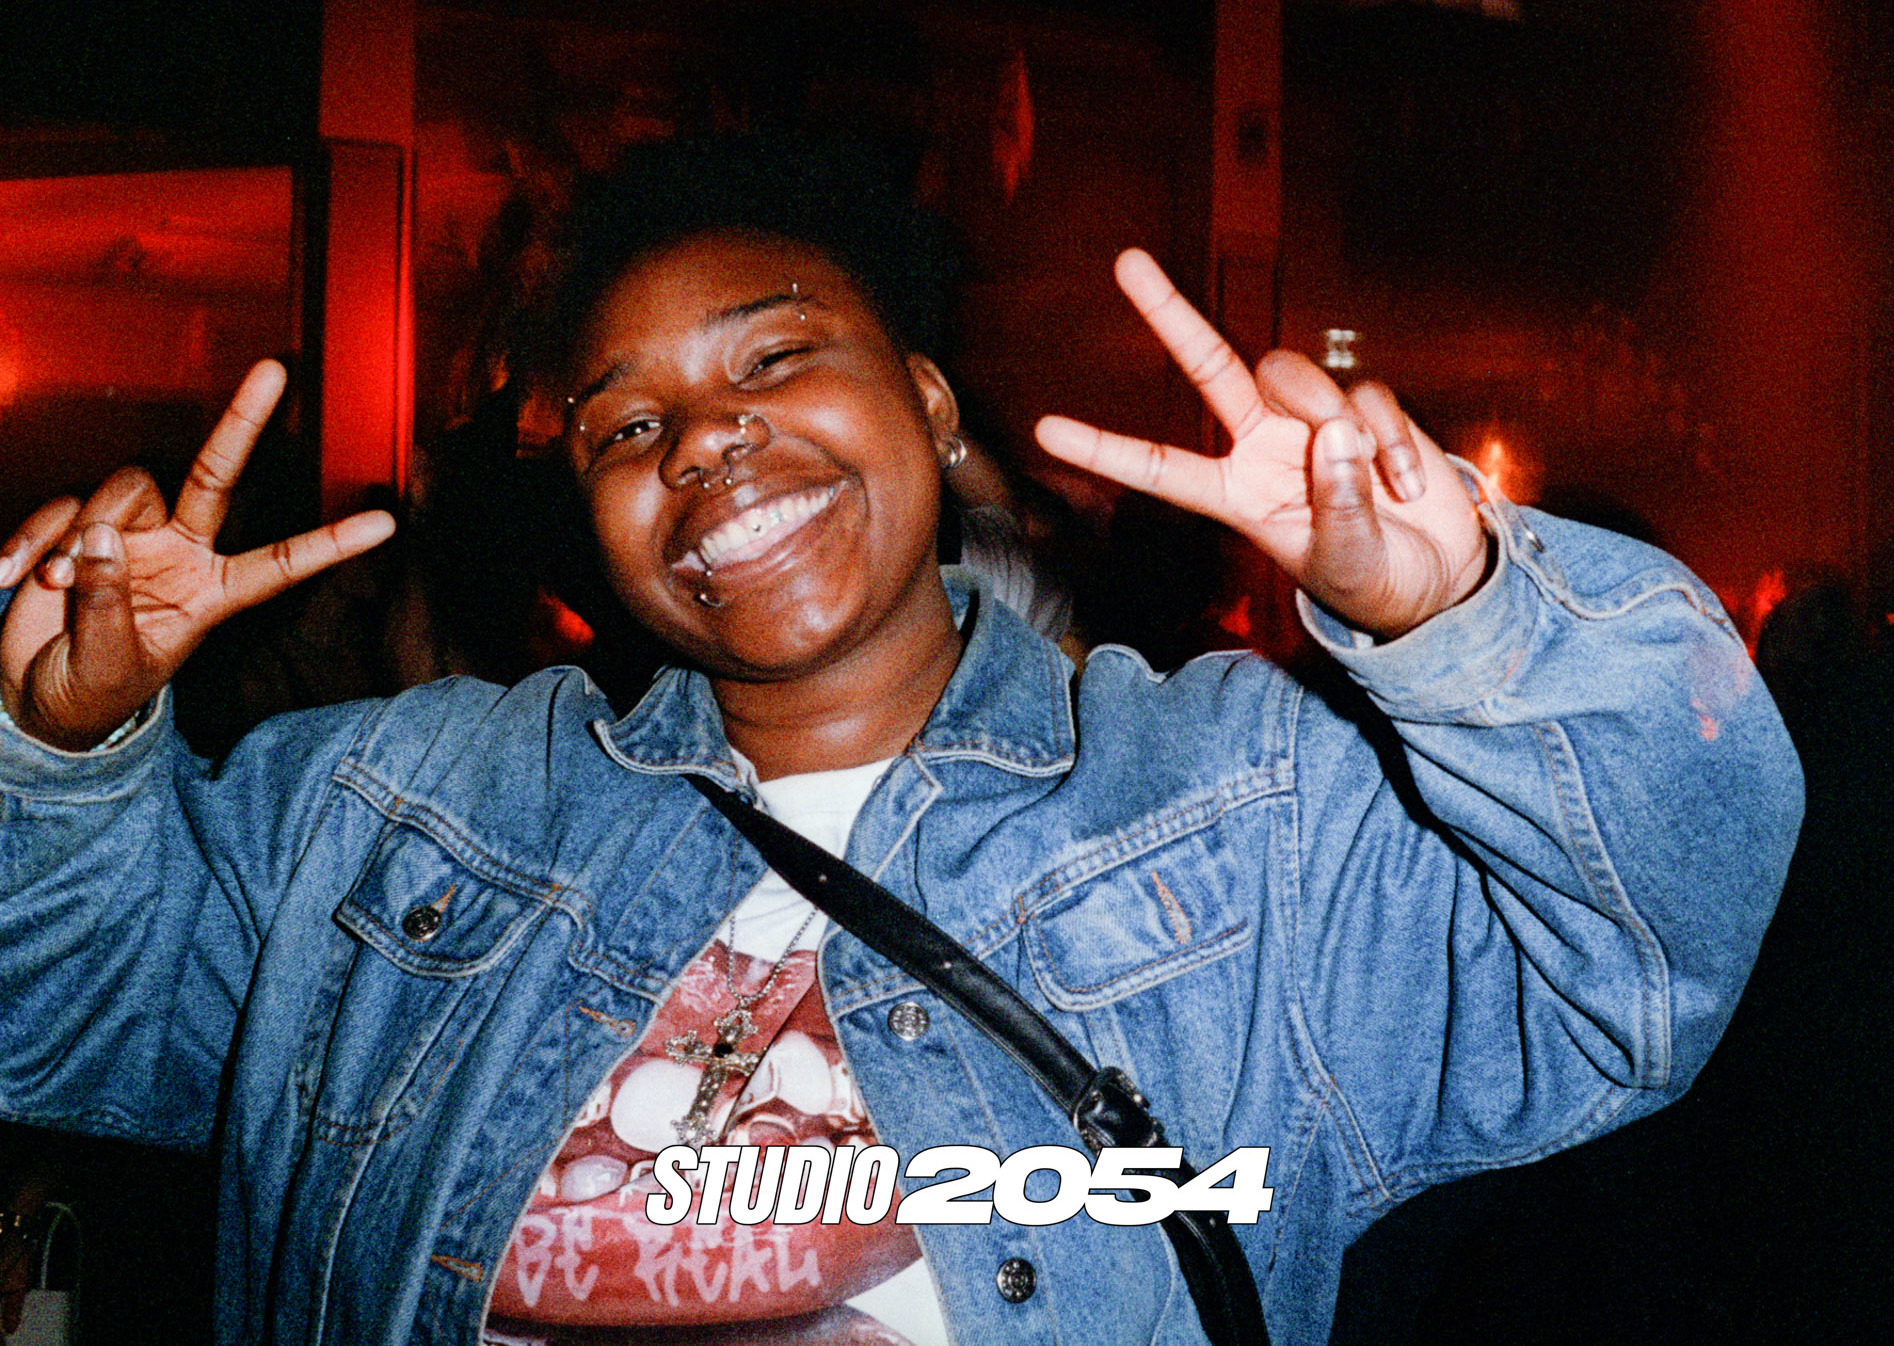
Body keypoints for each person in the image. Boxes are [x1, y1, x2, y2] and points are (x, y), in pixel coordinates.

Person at [0, 137, 1800, 1346]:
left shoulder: (1238, 806)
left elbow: (1643, 957)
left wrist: (1464, 607)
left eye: (773, 361)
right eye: (626, 426)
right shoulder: (400, 805)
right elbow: (58, 1023)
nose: (704, 440)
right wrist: (55, 745)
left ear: (930, 409)